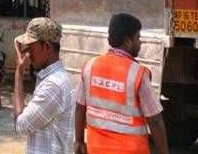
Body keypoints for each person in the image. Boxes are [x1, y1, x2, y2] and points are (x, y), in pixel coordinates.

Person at [75, 13, 168, 154]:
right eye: (138, 37)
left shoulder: (89, 67)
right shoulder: (138, 74)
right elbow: (155, 121)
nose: (140, 43)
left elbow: (79, 108)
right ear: (127, 41)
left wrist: (80, 141)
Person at [12, 17, 75, 154]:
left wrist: (18, 74)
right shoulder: (52, 77)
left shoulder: (53, 85)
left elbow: (21, 126)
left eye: (31, 47)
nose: (27, 53)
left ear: (46, 47)